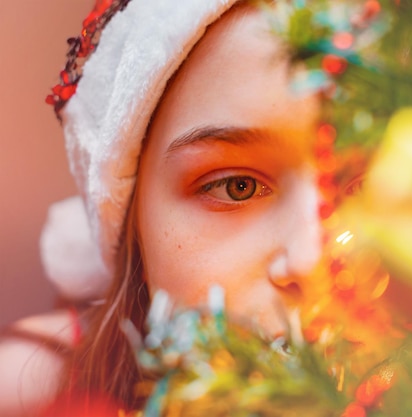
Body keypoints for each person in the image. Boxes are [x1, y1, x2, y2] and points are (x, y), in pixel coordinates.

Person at [0, 0, 384, 415]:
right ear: (135, 228)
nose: (312, 261)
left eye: (370, 186)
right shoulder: (36, 393)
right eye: (238, 187)